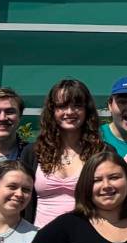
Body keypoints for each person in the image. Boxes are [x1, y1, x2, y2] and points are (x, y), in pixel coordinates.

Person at [31, 79, 106, 228]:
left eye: (77, 106)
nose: (70, 112)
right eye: (62, 106)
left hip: (86, 239)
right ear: (52, 110)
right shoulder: (33, 152)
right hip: (39, 240)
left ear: (87, 110)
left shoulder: (103, 152)